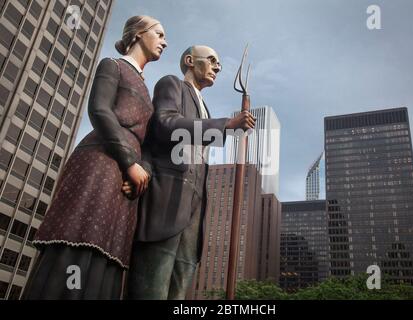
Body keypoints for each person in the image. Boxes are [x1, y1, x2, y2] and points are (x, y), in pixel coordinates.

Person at [22, 15, 167, 300]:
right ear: (138, 34)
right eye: (159, 34)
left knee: (109, 251)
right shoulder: (112, 65)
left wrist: (142, 170)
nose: (165, 41)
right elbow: (100, 111)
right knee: (81, 236)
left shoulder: (146, 90)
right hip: (98, 164)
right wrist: (129, 163)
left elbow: (148, 142)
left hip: (126, 180)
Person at [125, 45, 256, 299]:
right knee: (152, 287)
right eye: (212, 60)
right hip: (166, 202)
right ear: (190, 61)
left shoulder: (203, 106)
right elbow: (165, 124)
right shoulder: (171, 84)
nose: (218, 67)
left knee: (179, 289)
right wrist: (226, 124)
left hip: (194, 211)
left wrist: (227, 129)